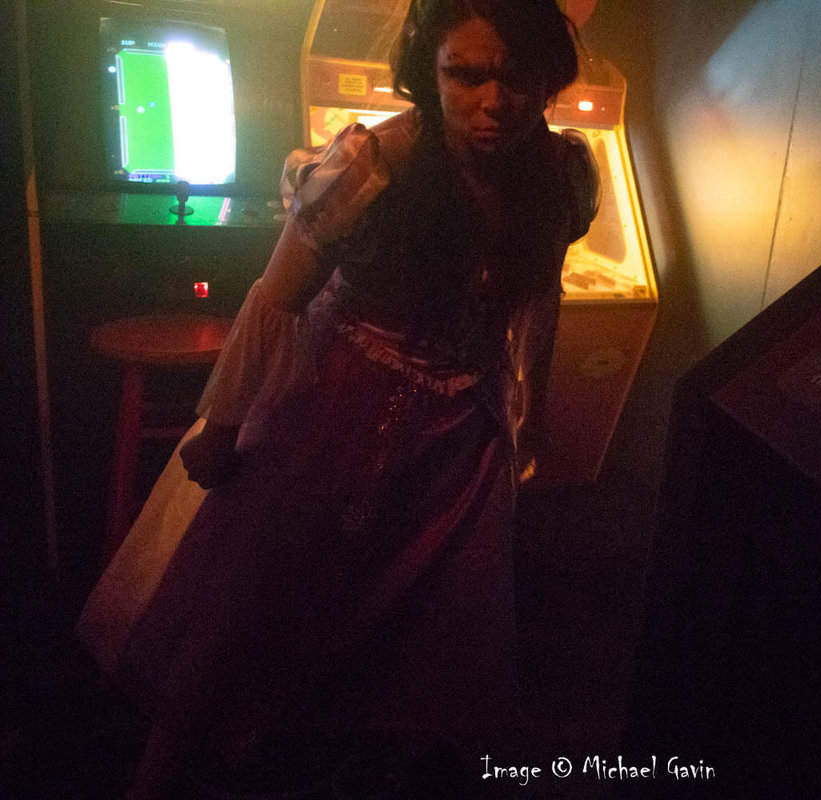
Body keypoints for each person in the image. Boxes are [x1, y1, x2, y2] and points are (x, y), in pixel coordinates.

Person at [76, 1, 598, 796]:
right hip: (332, 404)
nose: (494, 102)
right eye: (466, 74)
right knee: (250, 602)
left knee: (419, 616)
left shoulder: (557, 175)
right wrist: (223, 422)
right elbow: (278, 296)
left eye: (516, 77)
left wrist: (528, 423)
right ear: (429, 68)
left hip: (459, 435)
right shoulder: (373, 161)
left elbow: (536, 302)